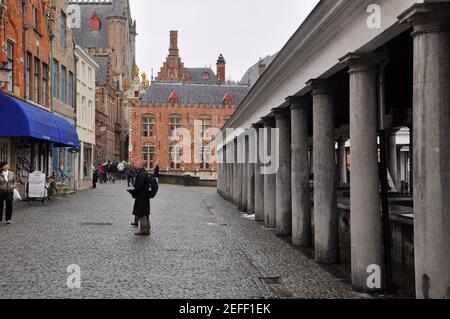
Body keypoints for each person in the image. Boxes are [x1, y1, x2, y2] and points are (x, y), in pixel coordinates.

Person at [128, 161, 151, 236]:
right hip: (145, 196)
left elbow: (139, 186)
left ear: (141, 165)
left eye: (137, 164)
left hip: (141, 196)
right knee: (146, 213)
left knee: (141, 213)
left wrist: (133, 191)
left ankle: (143, 229)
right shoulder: (145, 173)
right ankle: (147, 228)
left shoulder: (141, 174)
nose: (135, 165)